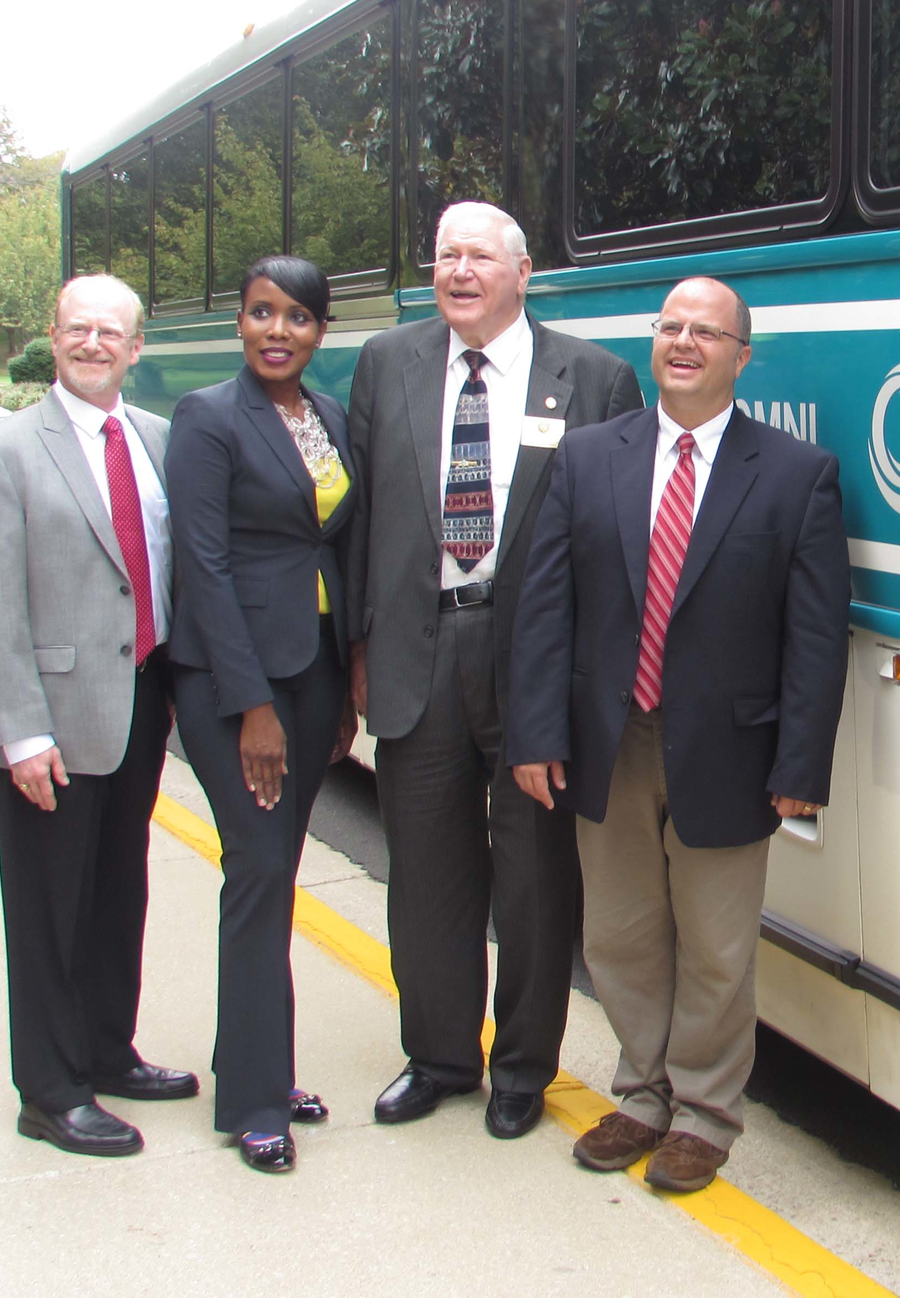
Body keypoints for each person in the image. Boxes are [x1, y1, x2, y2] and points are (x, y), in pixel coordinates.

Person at [507, 275, 850, 1193]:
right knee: (618, 935)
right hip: (606, 741)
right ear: (652, 346)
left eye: (708, 332)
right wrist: (535, 732)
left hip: (731, 750)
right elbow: (545, 608)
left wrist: (801, 763)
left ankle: (704, 1113)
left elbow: (816, 637)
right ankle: (643, 1095)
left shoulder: (794, 473)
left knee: (717, 945)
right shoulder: (586, 458)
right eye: (671, 328)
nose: (686, 343)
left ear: (743, 355)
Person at [345, 201, 642, 1139]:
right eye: (445, 255)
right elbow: (357, 525)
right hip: (416, 653)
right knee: (426, 874)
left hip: (536, 667)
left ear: (523, 273)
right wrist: (357, 647)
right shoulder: (386, 364)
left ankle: (522, 1067)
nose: (459, 271)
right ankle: (437, 1055)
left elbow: (613, 549)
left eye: (480, 255)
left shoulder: (594, 379)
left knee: (535, 880)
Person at [0, 274, 197, 1156]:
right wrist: (19, 730)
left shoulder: (161, 440)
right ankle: (50, 1092)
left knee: (116, 894)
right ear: (53, 338)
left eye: (112, 332)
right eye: (78, 329)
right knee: (48, 907)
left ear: (137, 348)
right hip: (49, 721)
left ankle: (106, 1049)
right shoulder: (4, 449)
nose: (94, 344)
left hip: (140, 704)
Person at [166, 257, 359, 1173]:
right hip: (235, 685)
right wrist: (252, 707)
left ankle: (255, 1063)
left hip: (312, 672)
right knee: (256, 874)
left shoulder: (325, 420)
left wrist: (345, 677)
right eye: (261, 314)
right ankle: (251, 1102)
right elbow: (201, 567)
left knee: (276, 873)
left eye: (299, 317)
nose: (279, 331)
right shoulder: (208, 417)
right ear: (239, 324)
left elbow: (334, 545)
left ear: (321, 331)